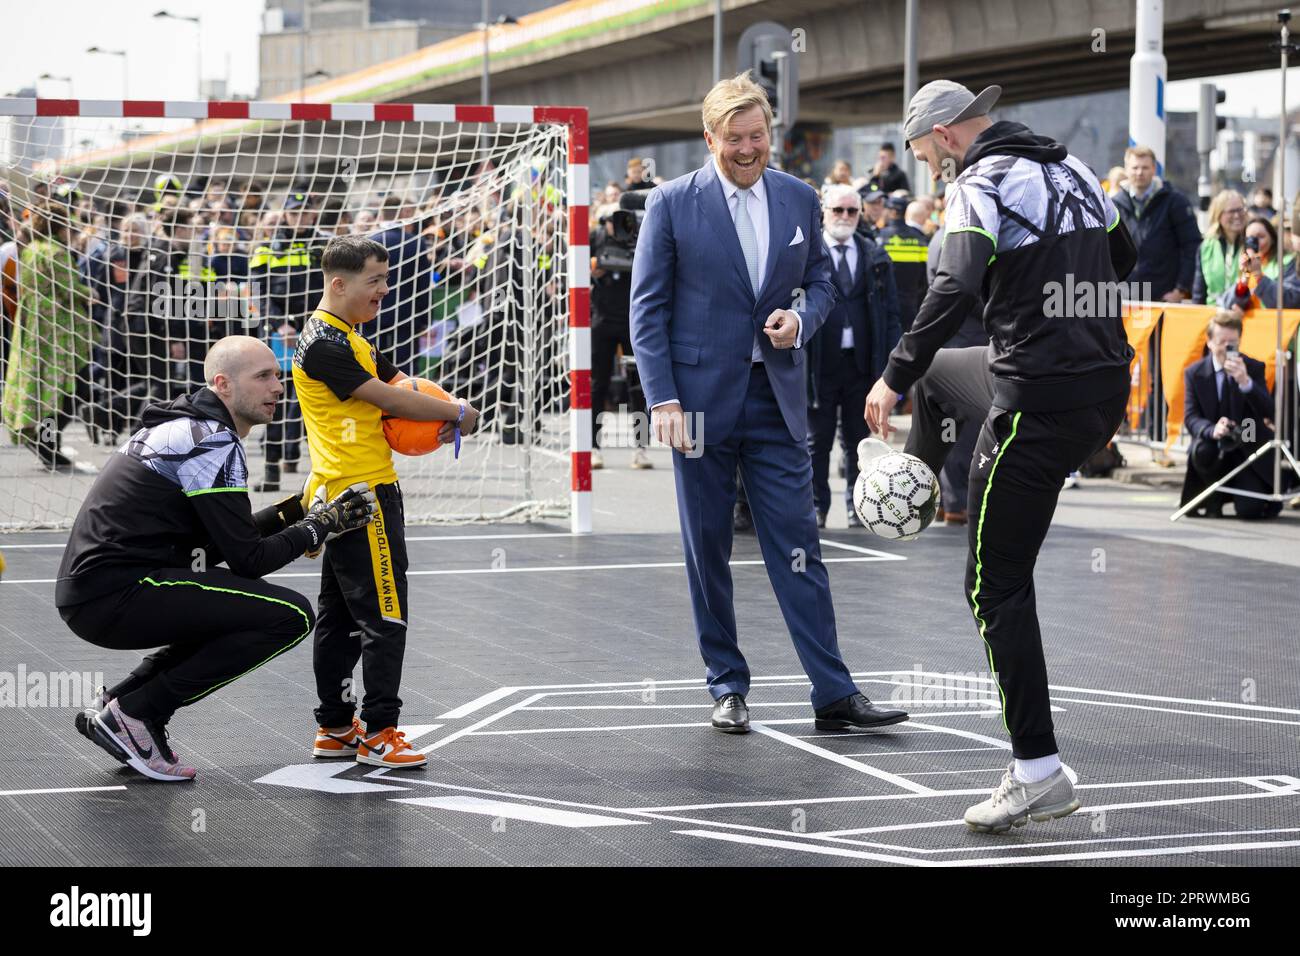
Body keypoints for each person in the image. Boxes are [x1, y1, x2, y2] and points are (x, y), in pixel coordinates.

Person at [865, 79, 1138, 833]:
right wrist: (1056, 307)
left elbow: (951, 283)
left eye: (925, 156)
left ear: (947, 136)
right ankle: (916, 482)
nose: (929, 170)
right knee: (949, 373)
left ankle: (1037, 771)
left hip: (1039, 402)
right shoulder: (1076, 167)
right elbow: (1126, 251)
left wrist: (891, 374)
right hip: (1101, 386)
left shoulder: (977, 184)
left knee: (993, 583)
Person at [630, 72, 909, 735]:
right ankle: (726, 684)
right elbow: (647, 311)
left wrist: (802, 319)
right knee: (708, 549)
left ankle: (834, 692)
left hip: (777, 398)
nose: (750, 149)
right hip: (694, 404)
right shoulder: (670, 203)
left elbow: (819, 280)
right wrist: (662, 400)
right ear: (710, 137)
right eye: (736, 138)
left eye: (758, 136)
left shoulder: (796, 197)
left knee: (800, 547)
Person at [55, 336, 377, 781]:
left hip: (99, 591)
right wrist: (319, 525)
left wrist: (299, 510)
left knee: (228, 608)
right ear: (223, 384)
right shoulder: (212, 440)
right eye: (262, 377)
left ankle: (118, 707)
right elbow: (247, 559)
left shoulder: (189, 426)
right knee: (289, 615)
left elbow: (226, 538)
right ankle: (135, 713)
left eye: (278, 376)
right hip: (120, 592)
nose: (277, 387)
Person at [293, 234, 480, 769]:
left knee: (339, 617)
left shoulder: (348, 336)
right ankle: (380, 731)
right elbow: (388, 397)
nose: (384, 290)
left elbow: (398, 380)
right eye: (373, 280)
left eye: (385, 278)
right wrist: (455, 413)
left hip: (340, 492)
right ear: (339, 283)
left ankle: (333, 727)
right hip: (363, 497)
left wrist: (438, 412)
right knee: (385, 616)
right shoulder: (324, 344)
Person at [807, 185, 901, 528]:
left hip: (862, 366)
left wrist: (892, 367)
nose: (845, 217)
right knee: (816, 442)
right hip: (818, 365)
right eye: (838, 210)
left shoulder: (875, 256)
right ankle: (816, 507)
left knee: (857, 442)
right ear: (824, 213)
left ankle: (857, 506)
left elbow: (891, 314)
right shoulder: (807, 252)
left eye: (852, 211)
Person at [1, 205, 96, 472]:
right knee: (71, 390)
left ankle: (47, 443)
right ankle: (45, 441)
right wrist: (90, 292)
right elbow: (68, 288)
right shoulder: (55, 252)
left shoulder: (30, 251)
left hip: (33, 328)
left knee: (44, 390)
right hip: (59, 331)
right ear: (59, 226)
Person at [1178, 310, 1282, 519]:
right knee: (1202, 449)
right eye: (1221, 341)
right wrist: (1211, 429)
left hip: (1247, 441)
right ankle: (1213, 500)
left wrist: (1246, 383)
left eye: (1232, 342)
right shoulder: (1194, 372)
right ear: (1209, 342)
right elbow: (1190, 417)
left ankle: (1250, 495)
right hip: (1214, 444)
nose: (1226, 347)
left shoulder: (1252, 367)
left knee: (1250, 510)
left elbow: (1269, 411)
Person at [590, 203, 651, 470]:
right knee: (597, 384)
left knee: (638, 385)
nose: (617, 226)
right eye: (611, 220)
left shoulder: (640, 236)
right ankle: (592, 446)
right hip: (601, 319)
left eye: (622, 220)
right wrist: (592, 271)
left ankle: (641, 447)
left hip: (632, 320)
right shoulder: (595, 238)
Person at [1111, 145, 1200, 302]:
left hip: (1163, 298)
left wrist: (1180, 289)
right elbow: (1106, 251)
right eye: (1135, 167)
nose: (1139, 172)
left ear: (1154, 169)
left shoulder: (1175, 202)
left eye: (1145, 167)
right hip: (1124, 298)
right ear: (1126, 169)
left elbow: (1191, 247)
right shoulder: (1113, 205)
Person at [878, 199, 931, 334]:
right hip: (911, 304)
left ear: (893, 212)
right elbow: (925, 278)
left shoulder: (880, 237)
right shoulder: (920, 239)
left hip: (885, 304)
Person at [1191, 190, 1246, 304]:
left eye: (1240, 210)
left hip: (1246, 314)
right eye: (1231, 211)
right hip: (1213, 315)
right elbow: (1199, 292)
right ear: (1218, 215)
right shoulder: (1206, 247)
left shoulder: (1254, 242)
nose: (1237, 215)